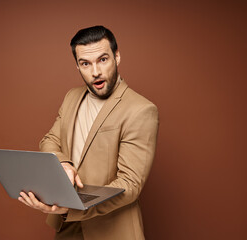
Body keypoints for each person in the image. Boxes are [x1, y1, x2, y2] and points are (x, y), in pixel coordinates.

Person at [18, 25, 159, 240]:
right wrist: (63, 163)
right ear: (77, 65)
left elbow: (129, 186)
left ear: (117, 57)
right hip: (66, 229)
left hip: (112, 232)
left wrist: (71, 208)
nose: (95, 72)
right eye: (85, 63)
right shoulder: (71, 97)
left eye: (103, 60)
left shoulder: (141, 109)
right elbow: (50, 140)